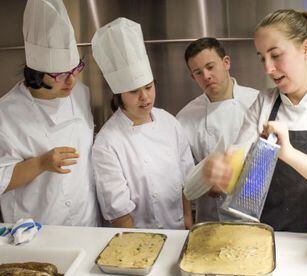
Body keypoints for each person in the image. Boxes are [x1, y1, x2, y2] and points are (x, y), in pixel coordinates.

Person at [184, 9, 307, 232]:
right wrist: (222, 175)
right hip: (273, 240)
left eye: (275, 55)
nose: (268, 68)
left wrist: (289, 153)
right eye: (262, 58)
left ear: (306, 48)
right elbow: (240, 179)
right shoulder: (263, 103)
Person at [0, 0, 99, 226]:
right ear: (36, 73)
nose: (71, 80)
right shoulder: (5, 114)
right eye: (61, 74)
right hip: (37, 228)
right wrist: (40, 164)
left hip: (87, 223)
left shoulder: (80, 94)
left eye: (75, 69)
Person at [91, 18, 194, 229]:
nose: (145, 97)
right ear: (119, 94)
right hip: (138, 240)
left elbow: (186, 181)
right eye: (134, 91)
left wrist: (187, 223)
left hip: (178, 232)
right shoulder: (107, 142)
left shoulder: (168, 122)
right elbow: (119, 213)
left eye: (148, 87)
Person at [176, 37, 259, 222]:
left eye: (210, 67)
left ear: (226, 62)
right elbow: (183, 178)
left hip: (257, 215)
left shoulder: (257, 102)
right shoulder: (184, 118)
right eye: (198, 72)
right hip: (211, 219)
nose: (206, 76)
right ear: (192, 77)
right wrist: (206, 182)